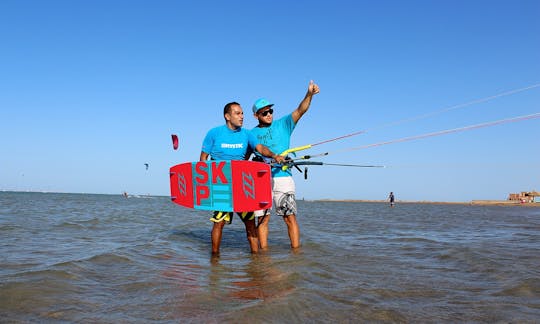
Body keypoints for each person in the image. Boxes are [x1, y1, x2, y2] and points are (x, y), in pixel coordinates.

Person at [200, 102, 284, 256]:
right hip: (222, 187)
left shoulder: (246, 134)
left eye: (242, 113)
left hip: (240, 186)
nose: (242, 116)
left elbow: (259, 148)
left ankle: (256, 258)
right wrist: (207, 183)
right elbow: (203, 159)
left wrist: (273, 155)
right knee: (219, 223)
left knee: (250, 223)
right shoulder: (214, 133)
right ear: (227, 116)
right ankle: (215, 259)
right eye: (237, 113)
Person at [250, 80, 320, 249]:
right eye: (264, 112)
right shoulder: (251, 134)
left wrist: (309, 94)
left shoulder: (283, 124)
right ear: (256, 116)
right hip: (261, 178)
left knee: (289, 217)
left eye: (270, 111)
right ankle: (263, 257)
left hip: (283, 177)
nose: (268, 114)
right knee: (263, 219)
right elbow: (253, 152)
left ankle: (296, 254)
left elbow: (301, 110)